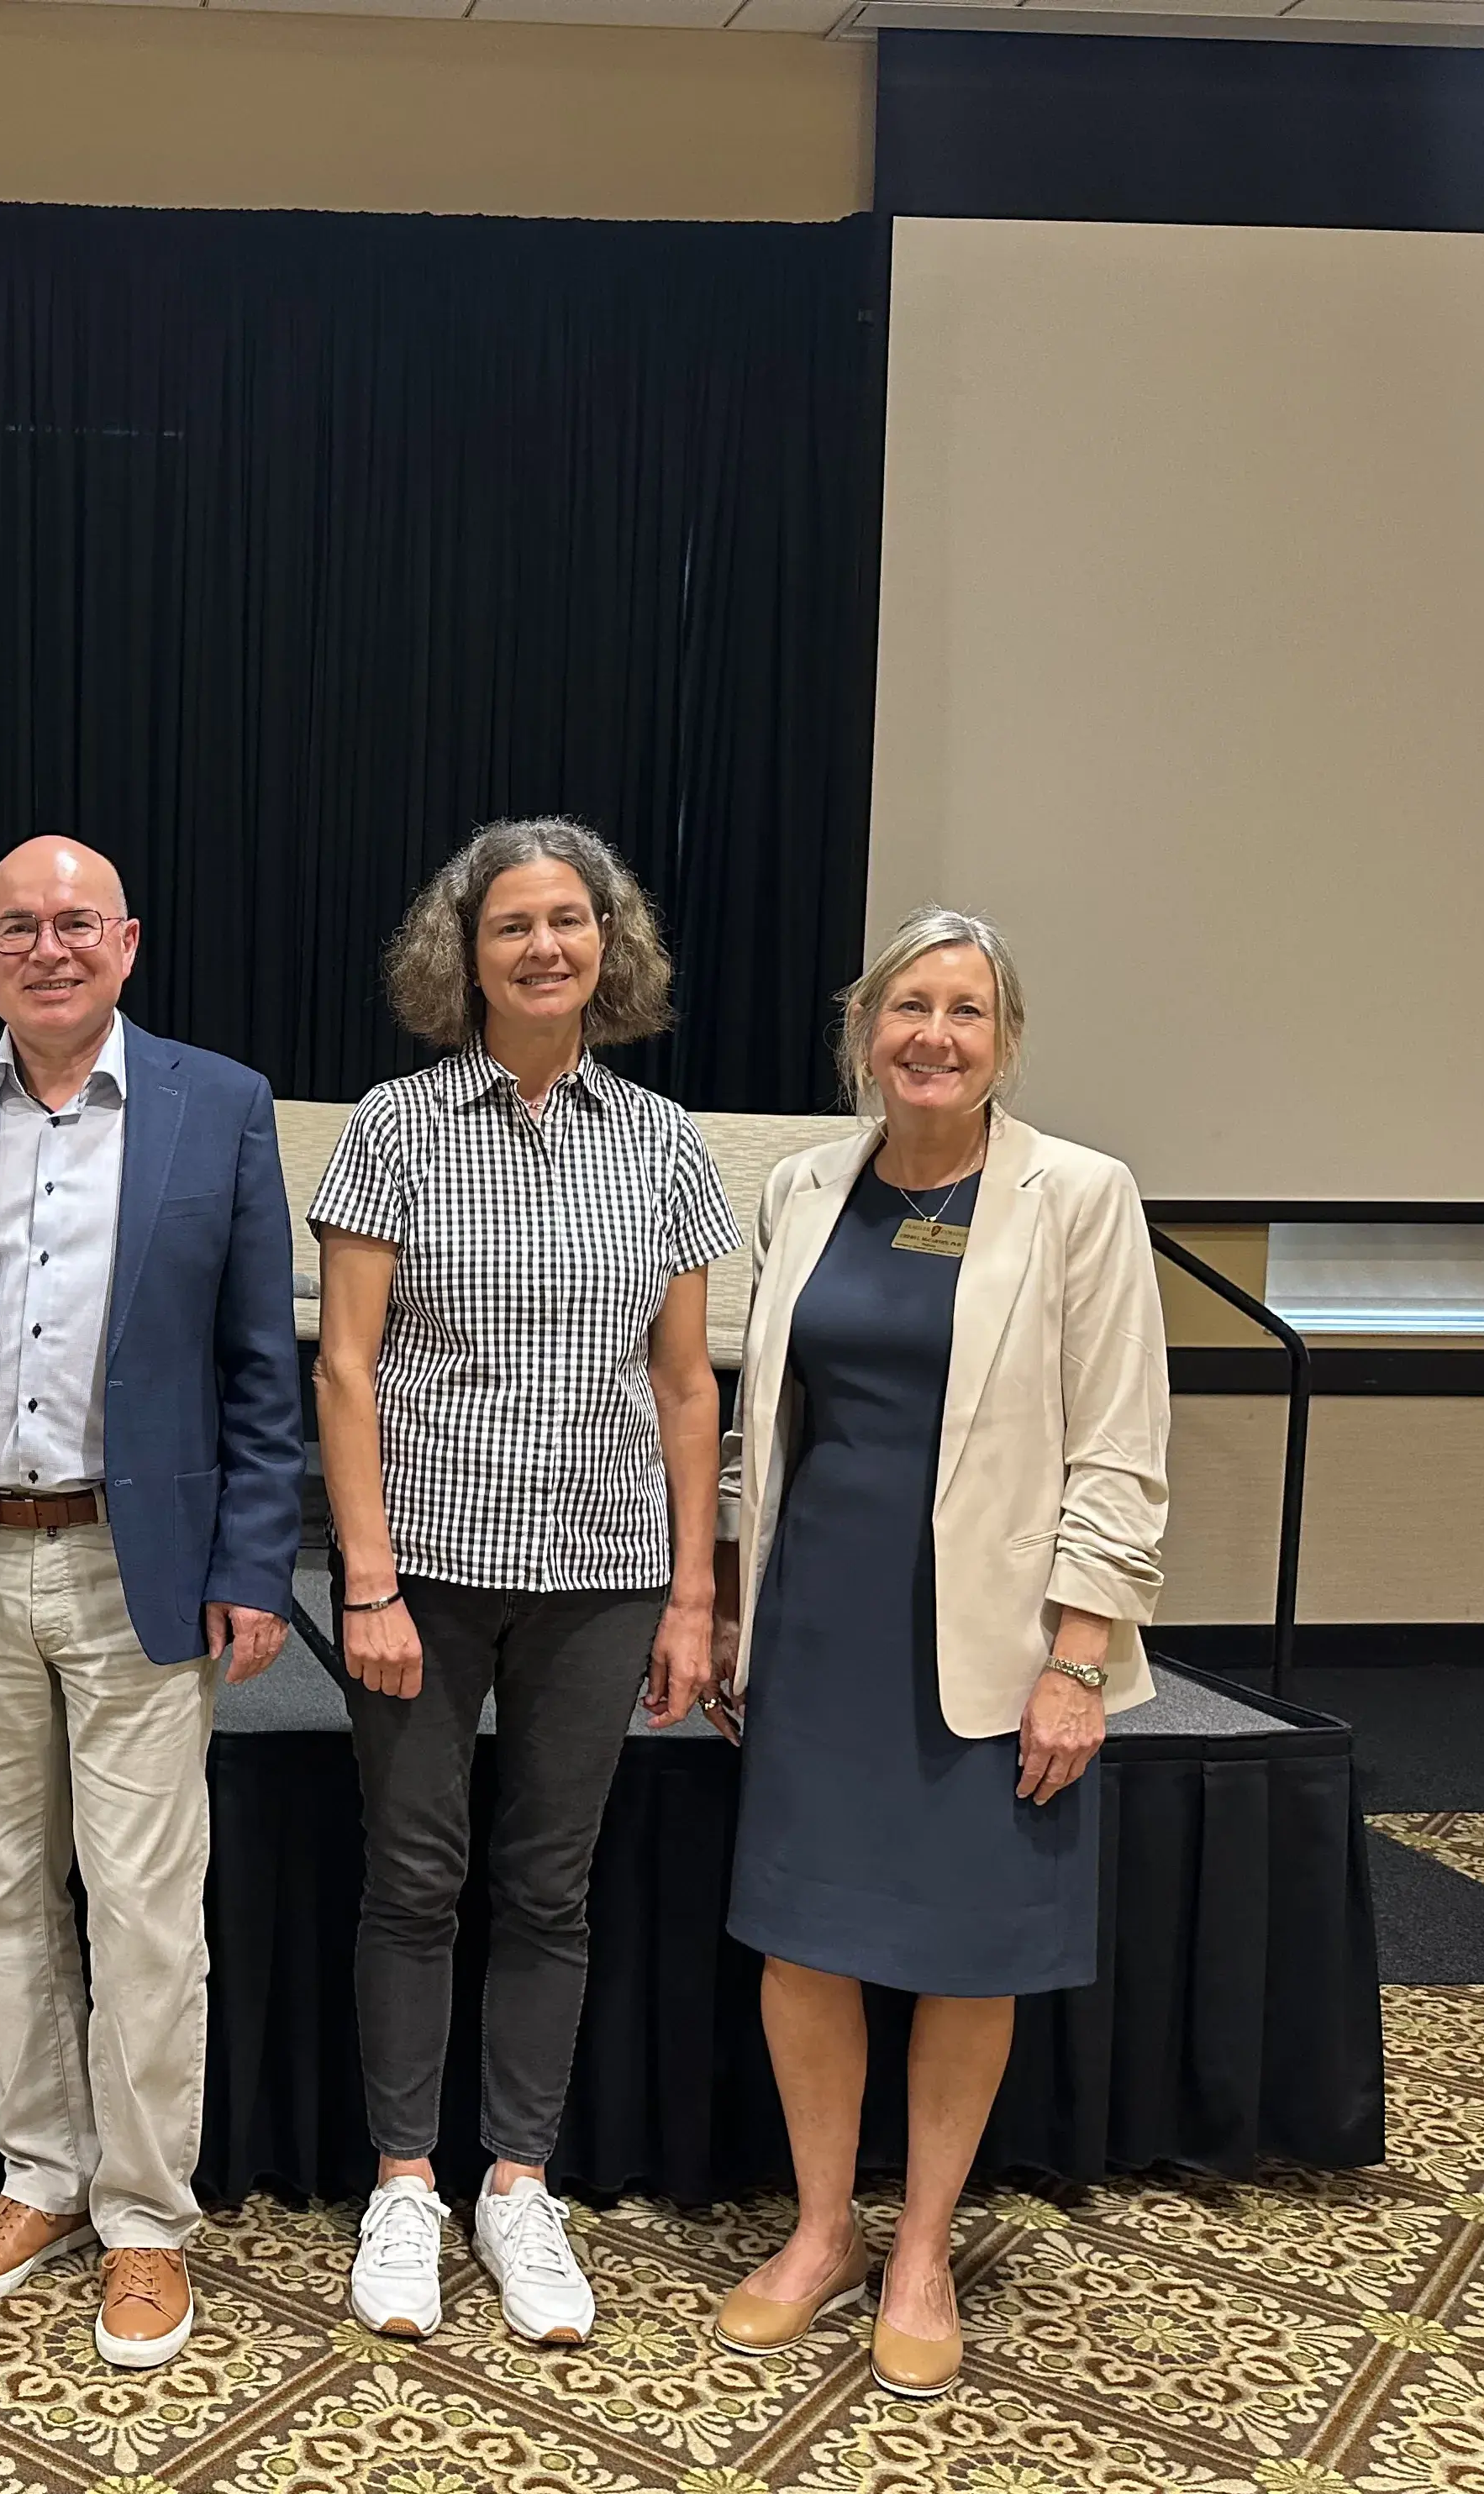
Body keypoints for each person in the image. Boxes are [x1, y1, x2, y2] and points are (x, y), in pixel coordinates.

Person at [0, 834, 303, 2370]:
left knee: (147, 1909)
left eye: (75, 924)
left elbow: (259, 1362)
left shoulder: (217, 1105)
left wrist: (255, 1560)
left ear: (127, 944)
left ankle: (147, 2219)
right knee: (1, 1891)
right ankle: (37, 2175)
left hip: (141, 1565)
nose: (48, 948)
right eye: (17, 927)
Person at [707, 907, 1167, 2401]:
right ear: (867, 1031)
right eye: (911, 1007)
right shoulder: (801, 1187)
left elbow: (1119, 1451)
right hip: (820, 1621)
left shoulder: (1080, 1197)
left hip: (991, 1638)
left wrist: (1077, 1662)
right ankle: (826, 2232)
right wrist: (721, 1596)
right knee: (803, 1941)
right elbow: (758, 1421)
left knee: (970, 1953)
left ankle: (924, 2254)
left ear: (1006, 1042)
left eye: (966, 1012)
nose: (935, 1036)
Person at [309, 816, 740, 2349]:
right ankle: (407, 2186)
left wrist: (696, 1594)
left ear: (605, 949)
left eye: (571, 922)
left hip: (606, 1572)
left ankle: (517, 2187)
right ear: (465, 954)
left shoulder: (665, 1145)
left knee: (549, 1889)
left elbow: (688, 1391)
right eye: (513, 926)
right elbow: (347, 1367)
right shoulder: (396, 1127)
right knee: (416, 1879)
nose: (545, 947)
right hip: (422, 1566)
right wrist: (362, 1575)